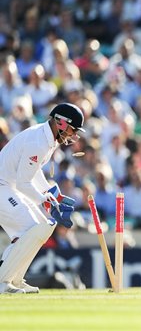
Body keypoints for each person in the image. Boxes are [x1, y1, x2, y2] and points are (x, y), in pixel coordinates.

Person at [0, 103, 82, 293]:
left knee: (41, 228)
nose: (73, 135)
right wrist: (44, 200)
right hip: (4, 187)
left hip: (9, 187)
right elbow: (23, 183)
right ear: (61, 122)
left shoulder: (48, 139)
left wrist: (51, 193)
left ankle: (15, 280)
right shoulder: (38, 142)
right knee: (30, 228)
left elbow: (32, 173)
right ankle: (3, 281)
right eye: (72, 129)